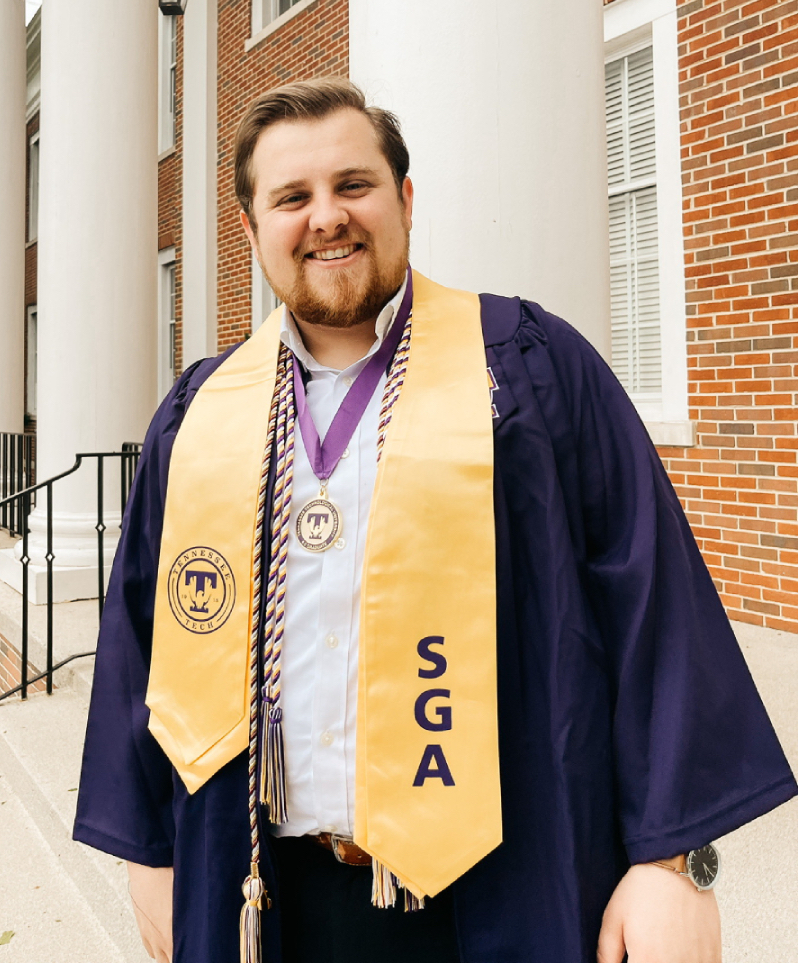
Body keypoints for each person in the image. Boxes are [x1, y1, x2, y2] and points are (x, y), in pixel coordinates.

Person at [74, 78, 797, 963]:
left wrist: (674, 863)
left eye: (354, 185)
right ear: (253, 229)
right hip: (264, 885)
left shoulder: (529, 371)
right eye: (292, 198)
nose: (327, 216)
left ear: (405, 200)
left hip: (499, 890)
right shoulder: (201, 413)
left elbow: (653, 601)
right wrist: (150, 855)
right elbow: (147, 635)